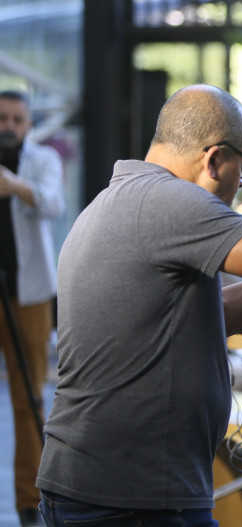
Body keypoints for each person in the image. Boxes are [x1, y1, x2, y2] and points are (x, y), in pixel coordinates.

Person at [35, 85, 242, 527]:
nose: (239, 186)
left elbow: (223, 311)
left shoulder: (120, 201)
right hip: (132, 497)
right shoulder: (169, 200)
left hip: (105, 485)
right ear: (214, 159)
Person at [0, 90, 65, 527]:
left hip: (29, 292)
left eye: (17, 120)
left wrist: (13, 185)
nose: (8, 126)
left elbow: (54, 203)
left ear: (27, 124)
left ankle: (29, 501)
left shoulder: (43, 160)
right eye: (2, 118)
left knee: (27, 397)